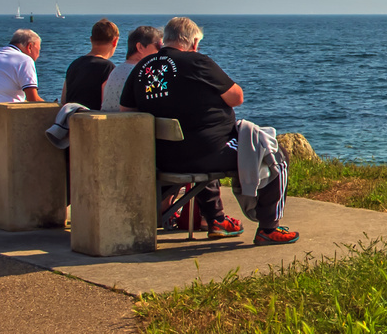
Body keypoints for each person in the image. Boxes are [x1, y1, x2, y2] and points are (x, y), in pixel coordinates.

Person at [121, 16, 297, 245]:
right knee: (275, 153)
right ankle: (268, 227)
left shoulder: (143, 67)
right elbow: (237, 97)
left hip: (162, 156)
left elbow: (126, 109)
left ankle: (216, 219)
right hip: (206, 153)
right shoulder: (197, 61)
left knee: (202, 140)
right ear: (192, 43)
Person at [98, 24, 160, 113]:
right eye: (159, 46)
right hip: (128, 124)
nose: (161, 51)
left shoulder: (115, 71)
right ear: (140, 47)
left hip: (108, 124)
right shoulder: (141, 73)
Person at [59, 19, 120, 110]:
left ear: (91, 39)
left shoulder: (74, 64)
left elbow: (64, 101)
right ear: (115, 41)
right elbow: (108, 106)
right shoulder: (107, 68)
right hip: (93, 121)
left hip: (70, 119)